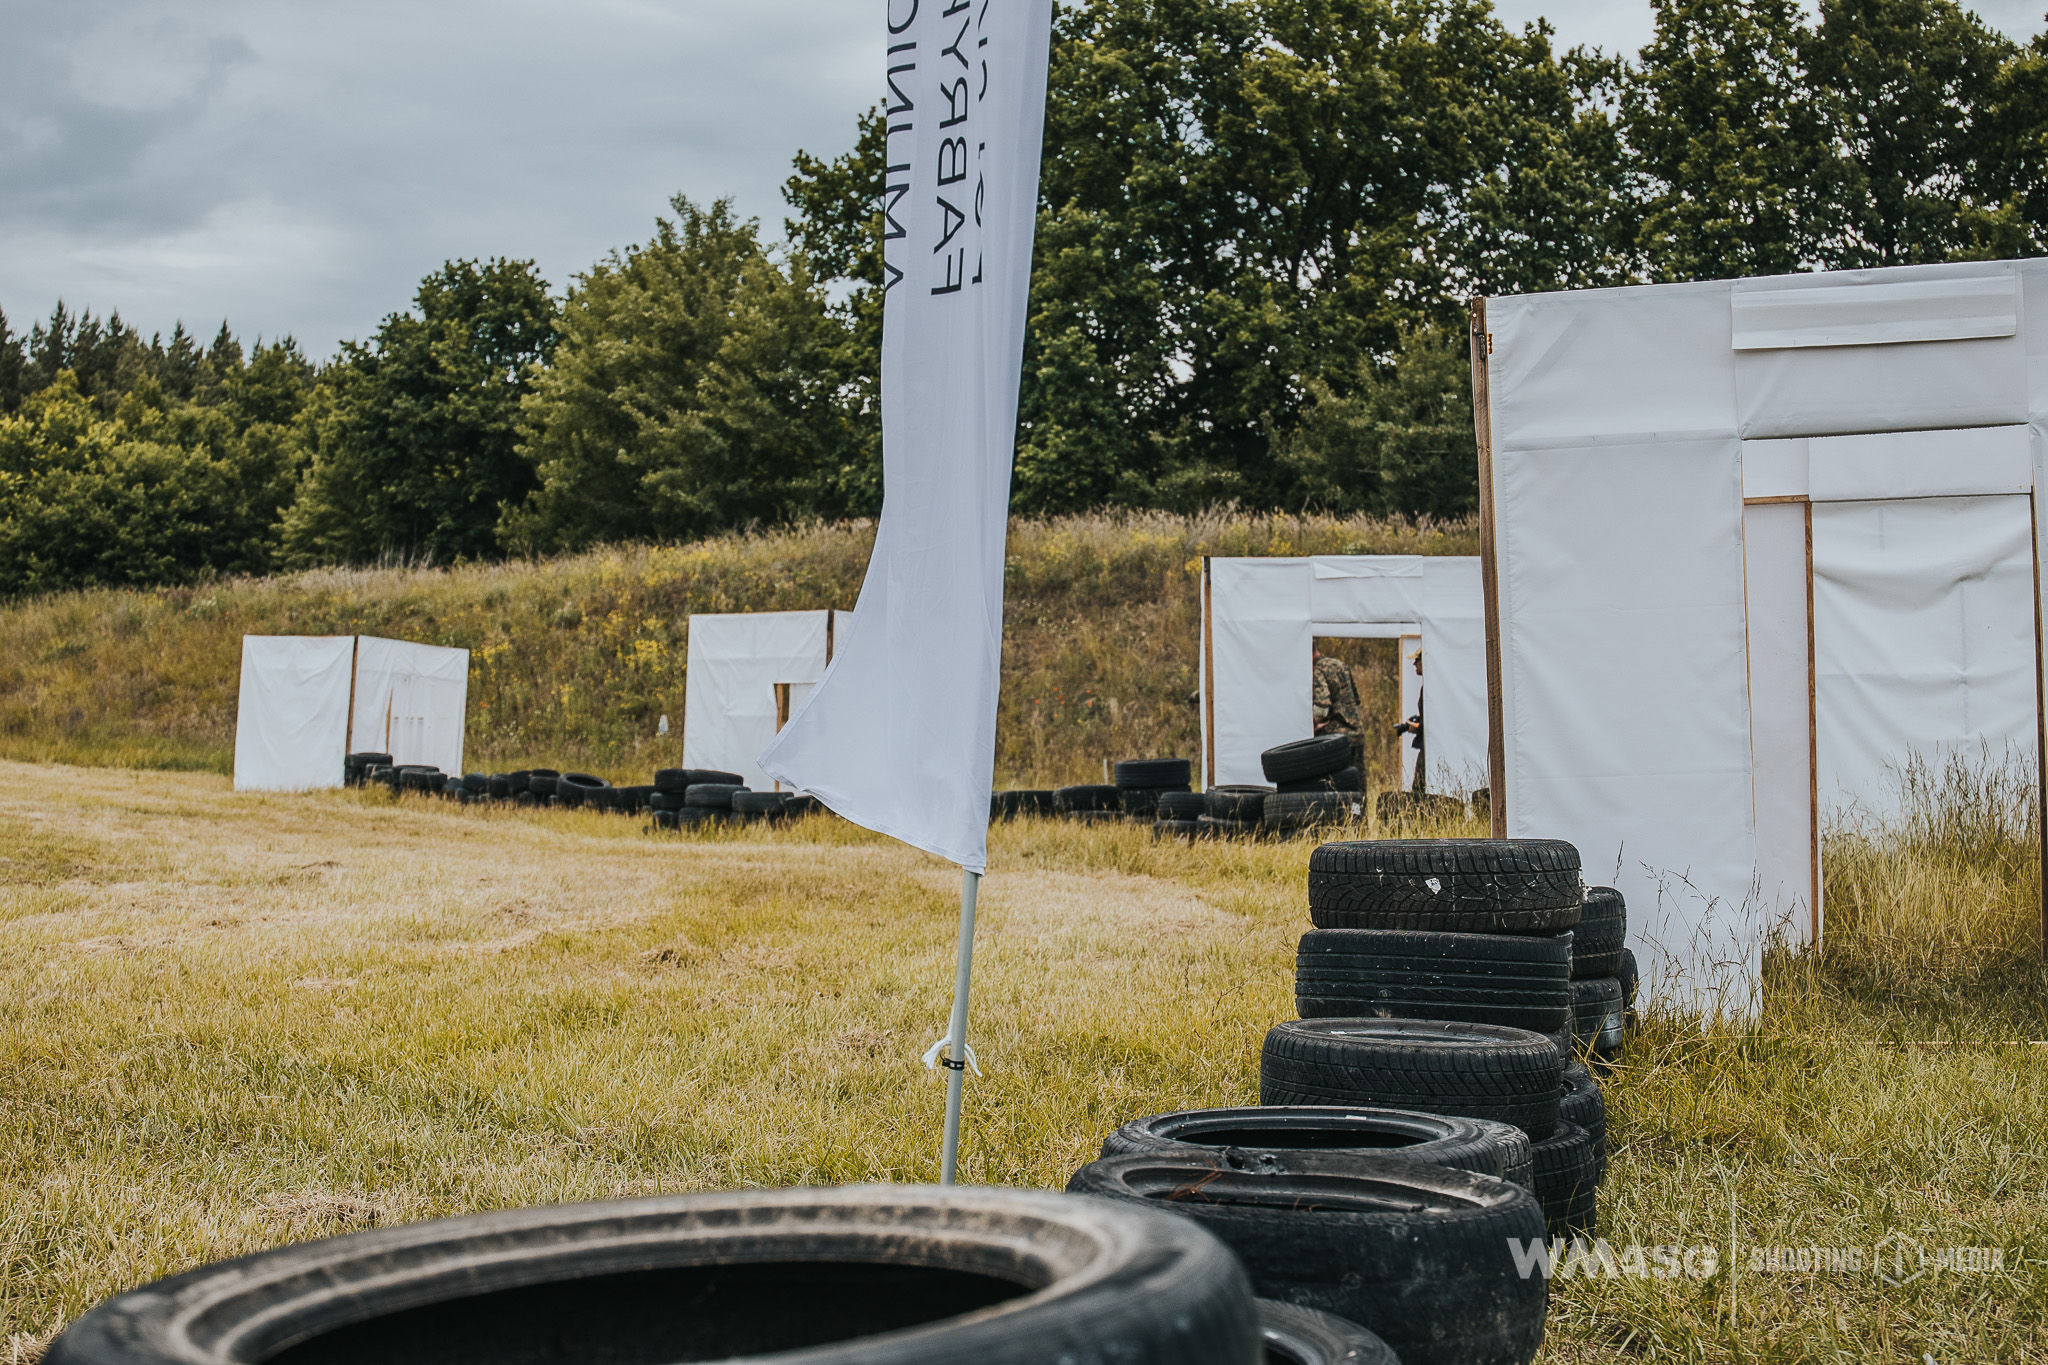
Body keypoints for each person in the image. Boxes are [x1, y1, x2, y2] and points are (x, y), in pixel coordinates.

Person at [1311, 645, 1365, 775]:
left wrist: (1312, 725)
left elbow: (1322, 706)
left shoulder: (1317, 669)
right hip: (1356, 732)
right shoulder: (1340, 664)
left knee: (1336, 785)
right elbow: (1356, 699)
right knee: (1357, 781)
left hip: (1335, 737)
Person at [1393, 650, 1425, 796]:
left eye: (1417, 660)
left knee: (1418, 788)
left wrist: (1417, 727)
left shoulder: (1431, 688)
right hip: (1427, 744)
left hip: (1429, 746)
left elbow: (1434, 723)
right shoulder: (1429, 687)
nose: (1414, 664)